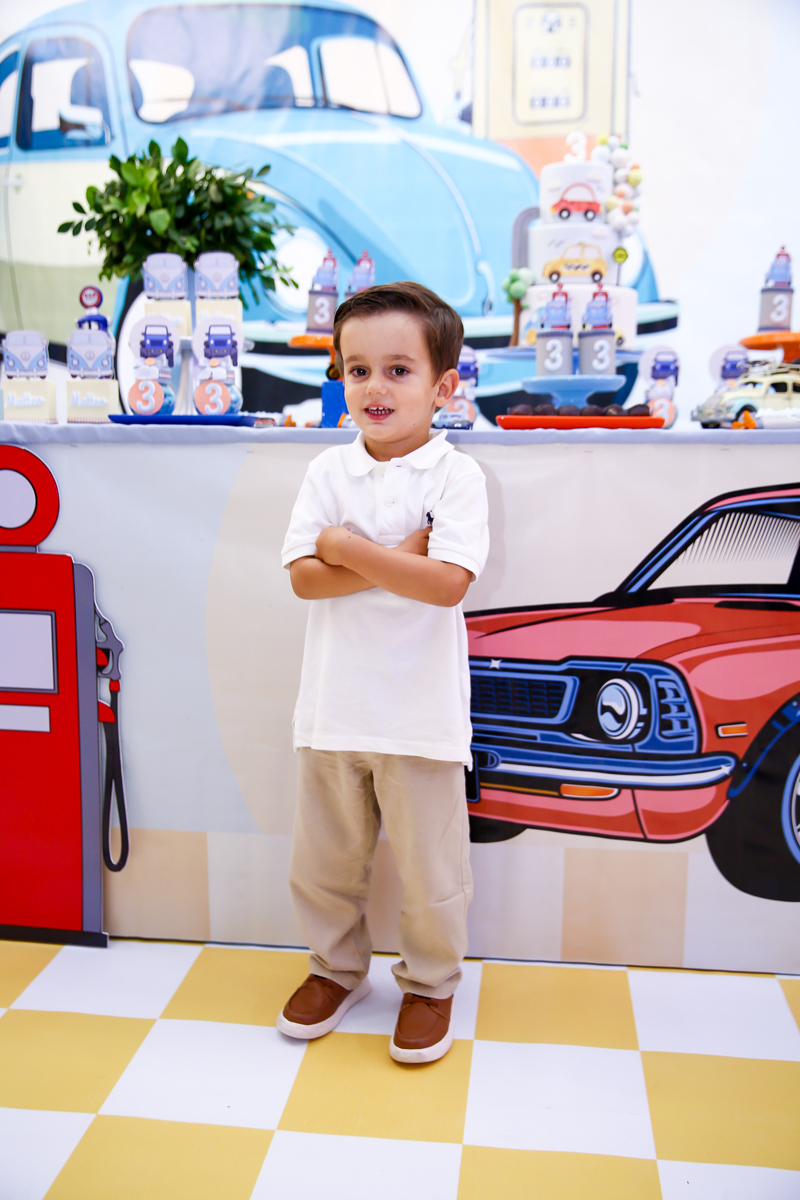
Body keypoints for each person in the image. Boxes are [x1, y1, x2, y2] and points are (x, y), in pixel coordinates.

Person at [277, 281, 489, 1064]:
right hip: (332, 710)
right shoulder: (328, 472)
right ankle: (335, 970)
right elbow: (304, 580)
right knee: (324, 862)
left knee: (433, 872)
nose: (375, 387)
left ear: (443, 385)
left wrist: (347, 548)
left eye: (399, 370)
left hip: (422, 717)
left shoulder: (455, 477)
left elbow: (446, 584)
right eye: (357, 369)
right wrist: (395, 556)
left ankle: (431, 984)